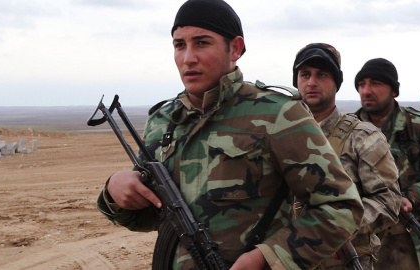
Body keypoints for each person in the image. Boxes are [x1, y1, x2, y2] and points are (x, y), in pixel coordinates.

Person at [96, 1, 364, 269]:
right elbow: (151, 217)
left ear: (235, 48)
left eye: (202, 43)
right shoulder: (164, 121)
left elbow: (342, 207)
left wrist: (267, 258)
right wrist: (115, 192)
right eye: (180, 45)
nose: (188, 57)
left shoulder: (278, 114)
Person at [292, 43, 402, 270]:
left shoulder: (363, 137)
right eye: (305, 75)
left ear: (336, 83)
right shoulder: (279, 135)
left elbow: (389, 201)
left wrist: (339, 226)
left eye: (321, 75)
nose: (311, 83)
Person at [353, 58, 420, 270]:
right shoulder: (349, 129)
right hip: (366, 243)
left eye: (375, 83)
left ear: (393, 90)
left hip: (413, 242)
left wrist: (411, 197)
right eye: (361, 84)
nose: (366, 90)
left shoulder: (419, 126)